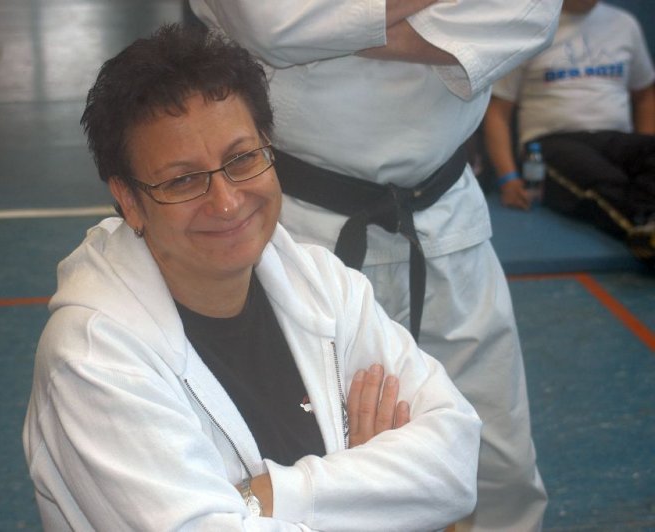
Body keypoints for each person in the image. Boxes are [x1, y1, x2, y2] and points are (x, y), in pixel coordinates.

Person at [22, 24, 481, 531]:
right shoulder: (93, 359)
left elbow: (455, 461)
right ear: (129, 199)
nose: (225, 202)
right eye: (182, 180)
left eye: (241, 159)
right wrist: (378, 492)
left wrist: (261, 498)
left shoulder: (322, 284)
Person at [189, 1, 560, 530]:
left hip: (446, 224)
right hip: (300, 231)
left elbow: (530, 12)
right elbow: (269, 22)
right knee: (308, 470)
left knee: (499, 466)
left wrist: (326, 32)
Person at [484, 0, 655, 267]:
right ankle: (644, 231)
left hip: (616, 139)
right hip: (551, 143)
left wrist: (643, 148)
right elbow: (498, 111)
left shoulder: (625, 24)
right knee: (602, 180)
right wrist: (508, 178)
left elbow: (645, 96)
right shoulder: (529, 27)